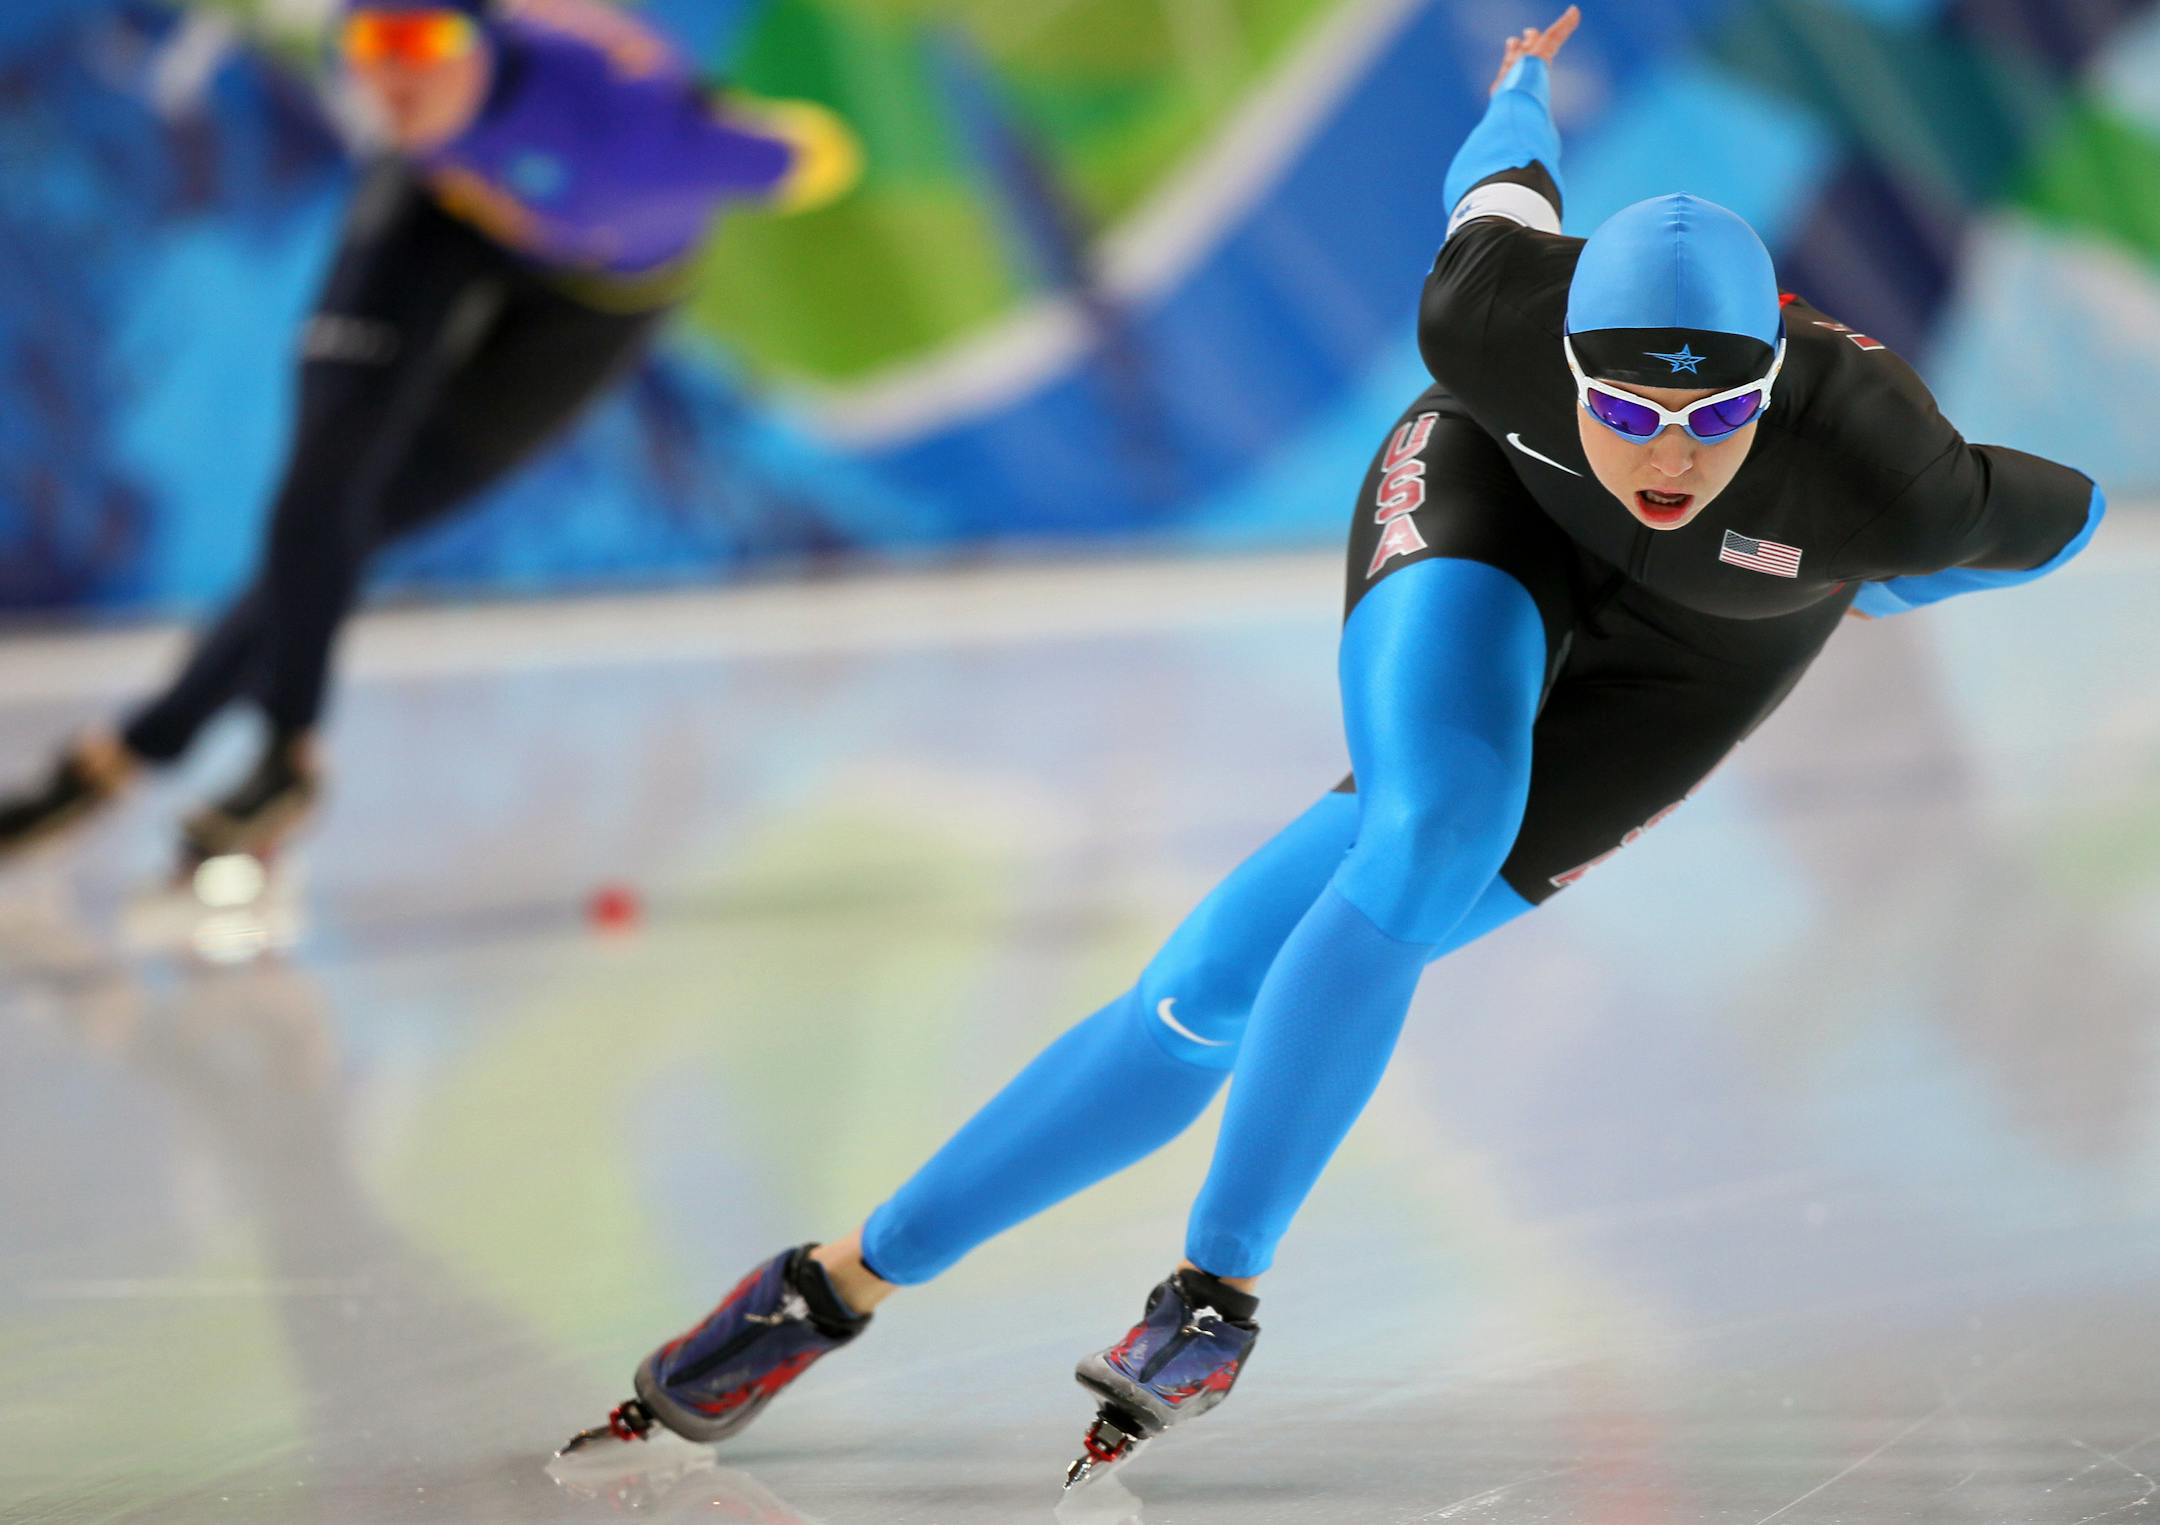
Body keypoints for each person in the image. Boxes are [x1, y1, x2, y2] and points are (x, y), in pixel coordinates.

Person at [559, 6, 2105, 1487]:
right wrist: (1519, 79)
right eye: (1630, 408)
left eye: (1720, 421)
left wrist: (1887, 584)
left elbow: (2069, 518)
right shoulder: (1491, 314)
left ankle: (830, 1283)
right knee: (1425, 836)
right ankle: (1198, 1299)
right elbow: (1500, 170)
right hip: (1490, 516)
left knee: (1208, 993)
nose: (1671, 454)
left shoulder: (1887, 464)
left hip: (1703, 661)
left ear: (1776, 381)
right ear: (1569, 357)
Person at [0, 0, 858, 866]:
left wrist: (754, 128)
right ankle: (280, 755)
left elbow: (817, 159)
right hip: (441, 210)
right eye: (373, 41)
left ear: (481, 42)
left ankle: (135, 748)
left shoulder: (624, 125)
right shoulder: (417, 107)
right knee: (325, 481)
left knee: (376, 514)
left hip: (592, 299)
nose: (397, 73)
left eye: (424, 41)